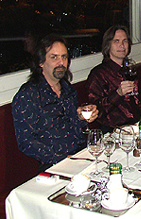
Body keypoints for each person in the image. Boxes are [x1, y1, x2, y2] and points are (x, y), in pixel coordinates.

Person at [12, 34, 98, 171]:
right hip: (54, 165)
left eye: (64, 57)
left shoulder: (67, 89)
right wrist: (61, 159)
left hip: (82, 155)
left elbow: (71, 123)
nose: (61, 62)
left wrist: (81, 117)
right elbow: (26, 141)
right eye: (54, 57)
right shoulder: (29, 95)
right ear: (41, 62)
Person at [86, 25, 141, 133]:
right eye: (116, 41)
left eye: (125, 41)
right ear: (108, 45)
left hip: (136, 126)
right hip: (113, 132)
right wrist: (118, 94)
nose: (122, 45)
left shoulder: (130, 70)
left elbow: (139, 101)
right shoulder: (98, 74)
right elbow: (96, 111)